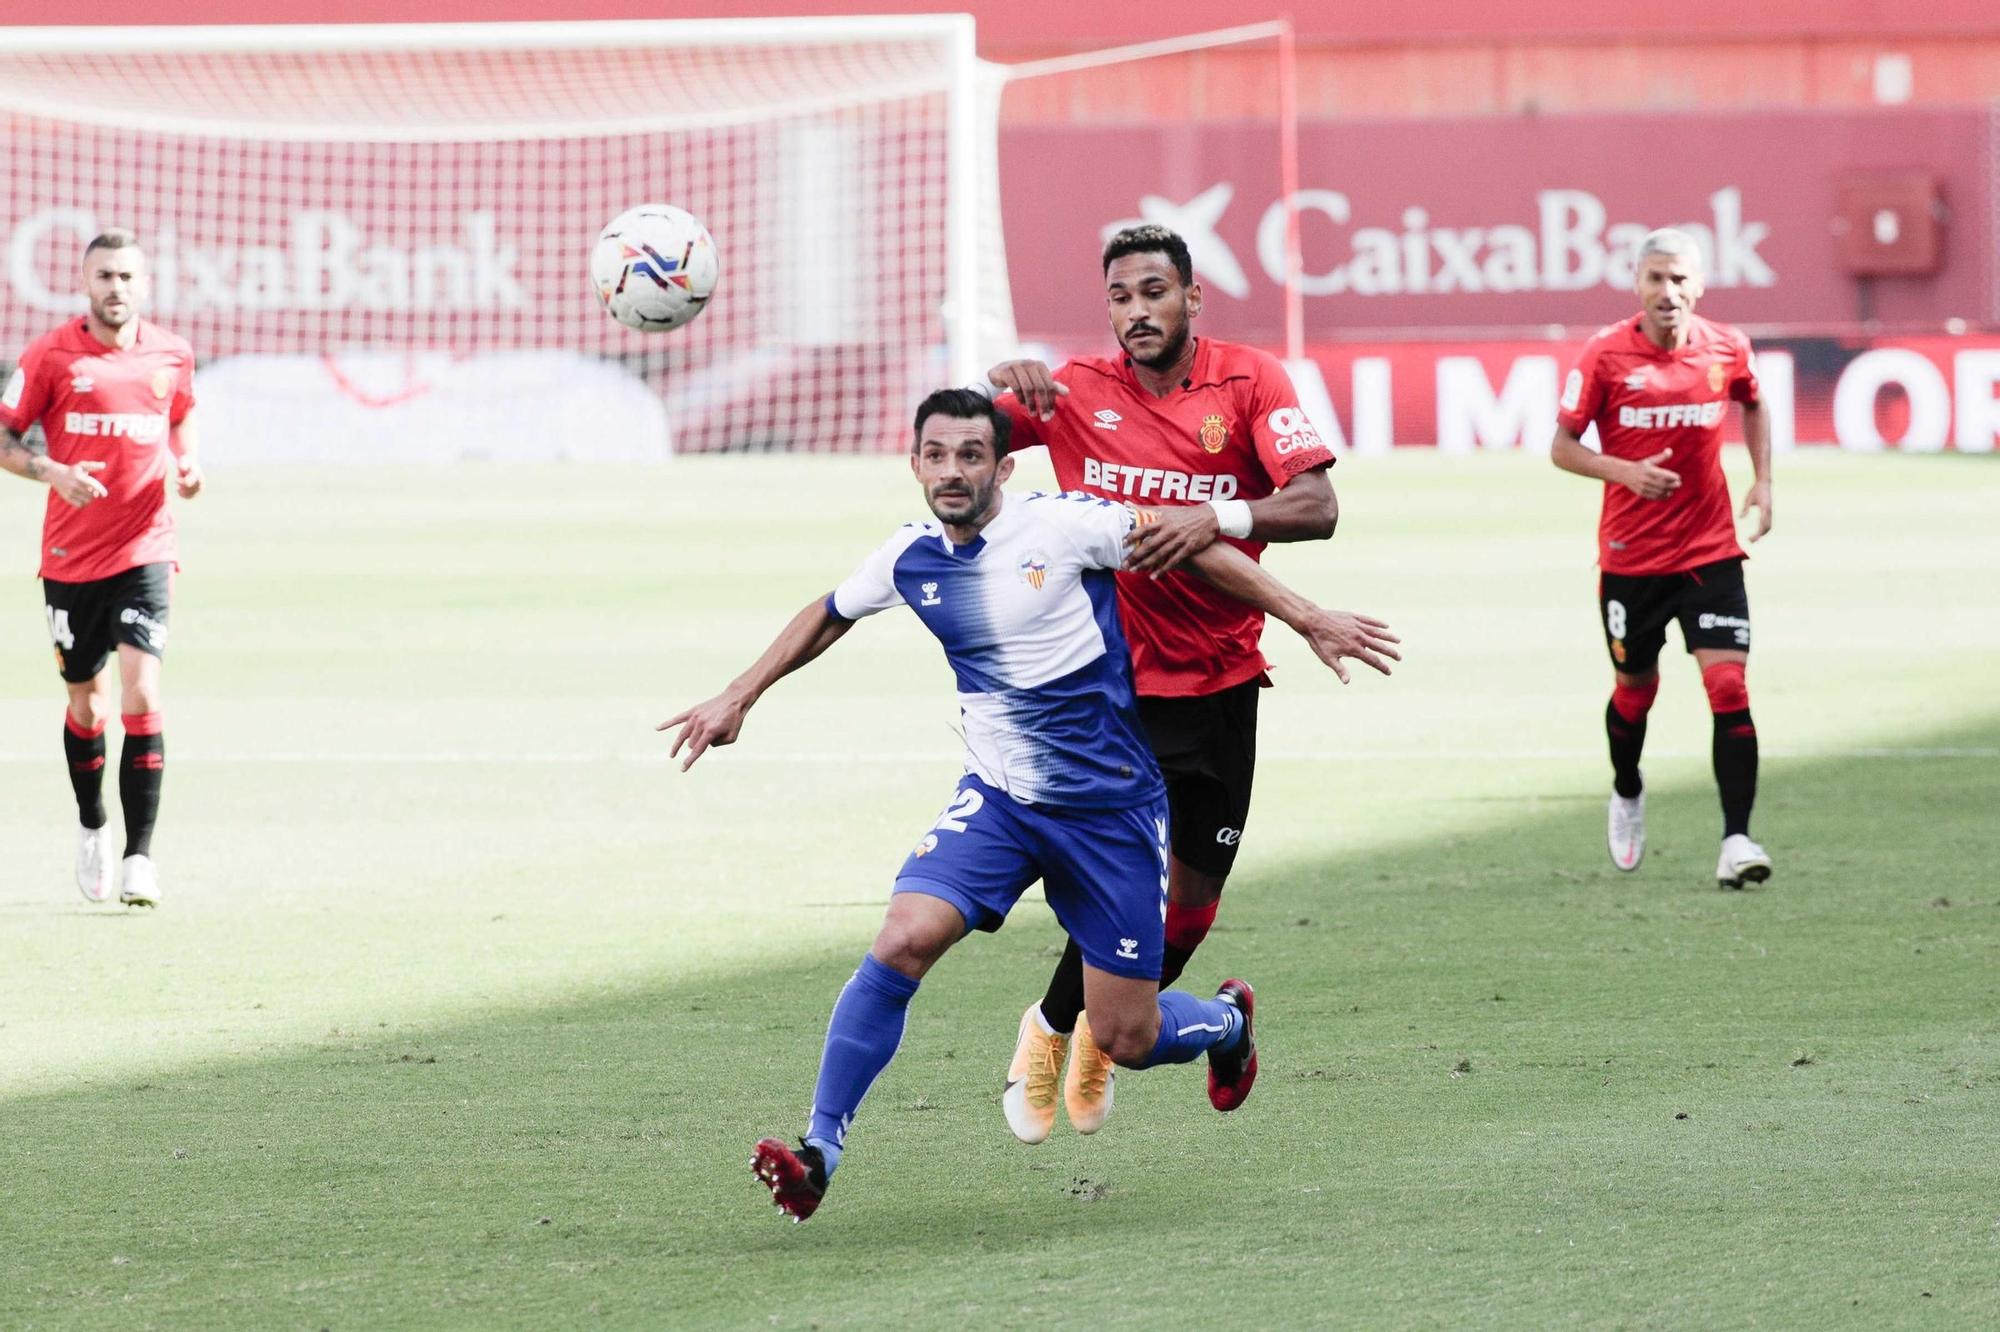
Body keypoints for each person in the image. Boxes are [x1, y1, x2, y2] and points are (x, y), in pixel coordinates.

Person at [662, 389, 1392, 1222]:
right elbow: (828, 614)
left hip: (1108, 816)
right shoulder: (909, 557)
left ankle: (1226, 1026)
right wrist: (738, 695)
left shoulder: (1062, 526)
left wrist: (1306, 617)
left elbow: (1187, 548)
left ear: (1002, 466)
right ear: (914, 465)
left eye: (971, 455)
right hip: (1001, 803)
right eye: (936, 455)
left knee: (1128, 1036)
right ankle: (819, 1150)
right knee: (902, 941)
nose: (952, 471)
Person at [983, 223, 1389, 1143]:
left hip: (1223, 686)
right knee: (1109, 887)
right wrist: (994, 383)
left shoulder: (1248, 381)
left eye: (1154, 293)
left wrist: (1219, 511)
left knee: (1187, 916)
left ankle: (1182, 1021)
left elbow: (1318, 506)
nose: (1137, 312)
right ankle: (1053, 1031)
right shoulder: (1077, 391)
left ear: (1193, 299)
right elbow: (953, 442)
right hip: (1109, 694)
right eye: (1121, 296)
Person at [1550, 227, 1773, 889]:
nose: (1668, 291)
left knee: (1729, 688)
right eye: (1656, 278)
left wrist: (1763, 480)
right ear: (1638, 285)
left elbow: (1755, 403)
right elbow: (1562, 446)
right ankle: (1626, 789)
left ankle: (1737, 839)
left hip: (1711, 553)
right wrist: (1624, 471)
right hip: (1631, 561)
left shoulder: (1726, 346)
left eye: (1680, 279)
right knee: (1635, 692)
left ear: (1698, 285)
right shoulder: (1604, 355)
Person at [0, 230, 203, 907]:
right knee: (87, 705)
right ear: (85, 283)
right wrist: (53, 471)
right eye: (104, 276)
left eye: (126, 276)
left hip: (146, 546)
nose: (116, 287)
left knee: (141, 693)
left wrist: (188, 461)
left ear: (144, 284)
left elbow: (181, 415)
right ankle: (93, 825)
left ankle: (140, 856)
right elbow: (4, 435)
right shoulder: (52, 355)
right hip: (69, 557)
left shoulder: (171, 353)